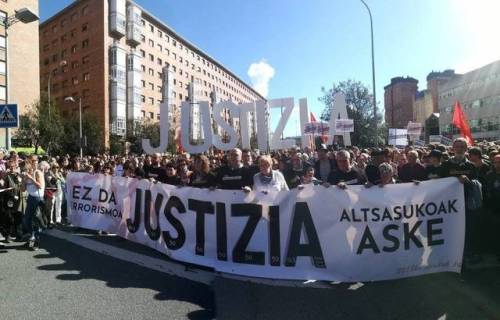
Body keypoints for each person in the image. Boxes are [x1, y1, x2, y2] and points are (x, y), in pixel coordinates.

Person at [22, 156, 46, 250]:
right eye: (31, 161)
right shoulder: (27, 173)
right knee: (26, 220)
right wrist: (24, 180)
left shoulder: (38, 173)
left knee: (36, 220)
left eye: (34, 161)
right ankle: (32, 237)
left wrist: (31, 178)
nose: (33, 163)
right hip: (31, 198)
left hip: (38, 198)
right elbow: (23, 189)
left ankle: (36, 241)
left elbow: (40, 186)